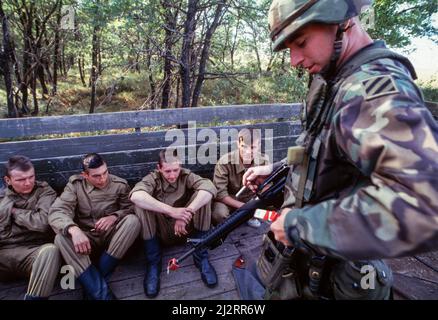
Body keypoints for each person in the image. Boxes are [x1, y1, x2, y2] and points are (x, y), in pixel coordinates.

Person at [242, 0, 438, 299]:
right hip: (308, 263)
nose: (294, 59)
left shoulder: (372, 90)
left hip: (341, 274)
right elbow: (315, 145)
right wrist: (277, 168)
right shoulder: (335, 79)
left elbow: (426, 206)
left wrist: (300, 227)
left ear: (342, 22)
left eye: (301, 42)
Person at [49, 153, 140, 300]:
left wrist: (114, 216)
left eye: (105, 173)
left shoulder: (119, 184)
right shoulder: (75, 186)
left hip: (112, 239)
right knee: (60, 238)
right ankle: (103, 295)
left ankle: (92, 282)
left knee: (132, 221)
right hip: (85, 240)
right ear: (84, 175)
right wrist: (74, 229)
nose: (103, 178)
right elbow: (57, 212)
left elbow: (131, 208)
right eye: (96, 176)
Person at [130, 149, 218, 298]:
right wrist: (171, 211)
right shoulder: (153, 178)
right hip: (162, 231)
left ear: (181, 166)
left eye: (176, 170)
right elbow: (135, 195)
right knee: (140, 204)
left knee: (203, 195)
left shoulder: (186, 175)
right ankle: (153, 264)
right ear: (159, 168)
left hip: (186, 229)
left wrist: (186, 213)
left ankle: (201, 257)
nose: (172, 175)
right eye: (167, 171)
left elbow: (209, 186)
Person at [0, 155, 61, 300]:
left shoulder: (45, 192)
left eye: (31, 177)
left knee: (51, 251)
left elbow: (42, 224)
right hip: (3, 254)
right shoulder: (2, 198)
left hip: (33, 253)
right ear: (7, 180)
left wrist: (13, 211)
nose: (28, 183)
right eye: (20, 179)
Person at [212, 128, 270, 228]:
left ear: (259, 146)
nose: (248, 151)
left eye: (252, 147)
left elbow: (268, 186)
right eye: (244, 146)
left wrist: (258, 203)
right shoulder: (224, 162)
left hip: (252, 199)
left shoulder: (264, 161)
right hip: (230, 200)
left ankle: (247, 216)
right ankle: (242, 217)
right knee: (219, 214)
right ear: (238, 144)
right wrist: (246, 208)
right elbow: (221, 195)